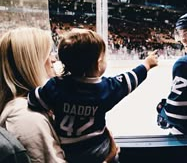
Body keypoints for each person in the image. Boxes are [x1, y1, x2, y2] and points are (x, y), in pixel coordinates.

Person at [28, 28, 158, 163]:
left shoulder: (55, 86)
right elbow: (129, 79)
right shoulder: (105, 89)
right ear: (98, 62)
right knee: (114, 153)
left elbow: (33, 100)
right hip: (98, 150)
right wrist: (147, 64)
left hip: (67, 150)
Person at [0, 27, 67, 163]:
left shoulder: (30, 105)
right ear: (32, 64)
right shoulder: (27, 118)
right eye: (47, 54)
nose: (53, 60)